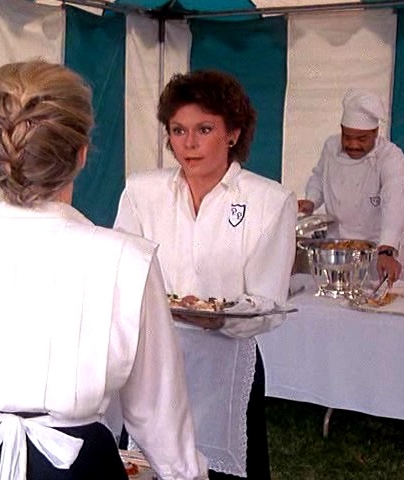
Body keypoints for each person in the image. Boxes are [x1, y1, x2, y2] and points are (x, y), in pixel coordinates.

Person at [0, 60, 208, 480]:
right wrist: (184, 475)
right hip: (75, 467)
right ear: (81, 154)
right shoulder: (127, 261)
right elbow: (157, 411)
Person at [114, 70, 296, 479]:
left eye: (204, 129)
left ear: (233, 133)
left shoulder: (269, 200)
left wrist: (220, 318)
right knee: (146, 465)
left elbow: (267, 302)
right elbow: (122, 275)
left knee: (224, 469)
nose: (189, 143)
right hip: (154, 358)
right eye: (178, 130)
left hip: (225, 362)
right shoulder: (142, 192)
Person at [297, 88, 404, 286]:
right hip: (343, 239)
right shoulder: (330, 147)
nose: (353, 145)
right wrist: (311, 200)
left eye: (362, 139)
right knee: (342, 292)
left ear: (375, 133)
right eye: (347, 137)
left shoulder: (391, 156)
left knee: (380, 292)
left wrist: (387, 249)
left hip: (384, 239)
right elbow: (319, 177)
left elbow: (395, 200)